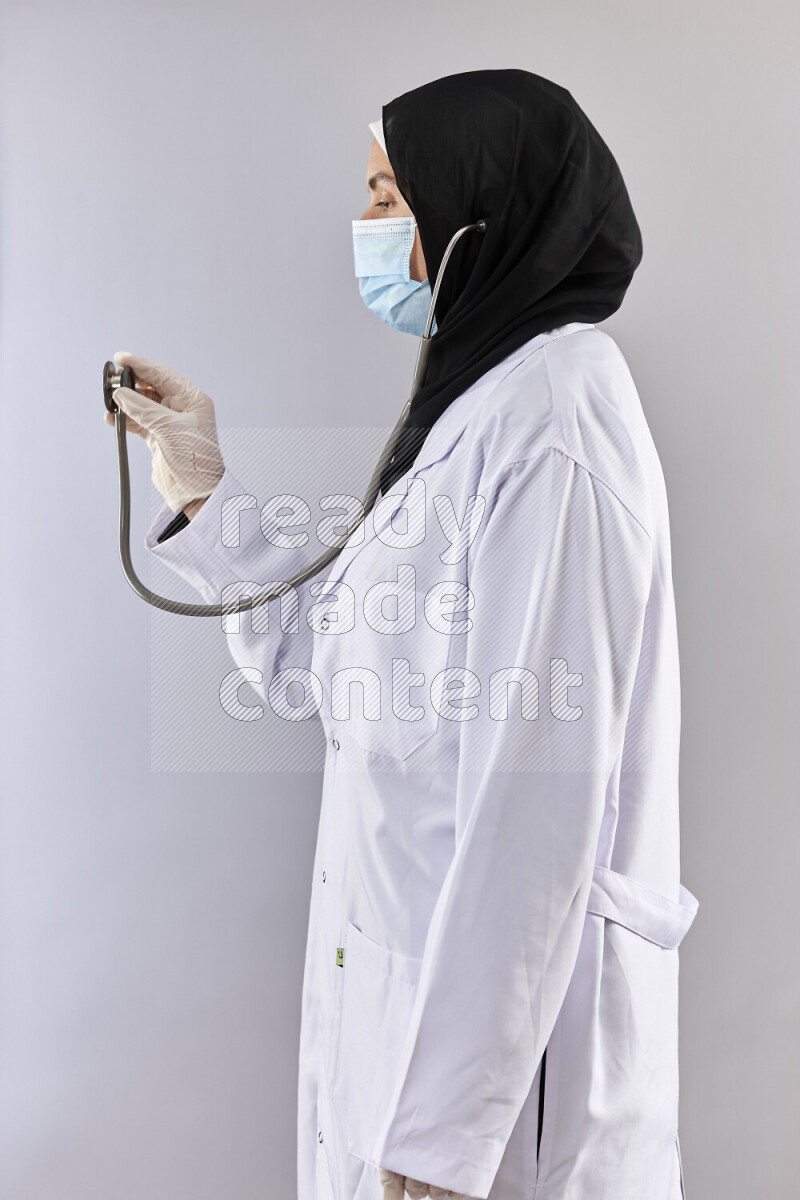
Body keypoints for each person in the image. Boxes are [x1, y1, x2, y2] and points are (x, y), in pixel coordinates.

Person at [105, 69, 698, 1200]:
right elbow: (338, 668)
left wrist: (441, 1142)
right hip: (404, 1013)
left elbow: (536, 799)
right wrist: (201, 482)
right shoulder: (476, 407)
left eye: (390, 192)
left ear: (479, 204)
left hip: (498, 1102)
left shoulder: (555, 421)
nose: (369, 224)